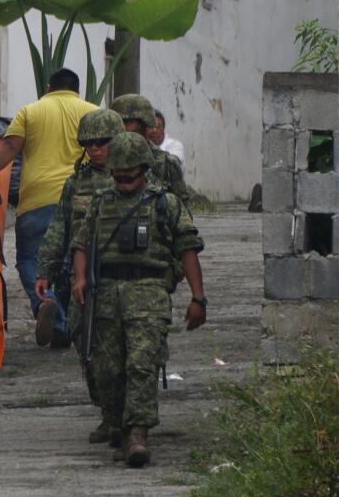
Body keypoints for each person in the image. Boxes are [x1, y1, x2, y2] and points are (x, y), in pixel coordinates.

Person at [70, 132, 207, 467]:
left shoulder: (165, 204)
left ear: (144, 170)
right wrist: (81, 279)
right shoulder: (102, 203)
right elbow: (82, 243)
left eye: (130, 176)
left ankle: (137, 435)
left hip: (148, 293)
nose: (123, 181)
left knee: (142, 365)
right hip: (107, 295)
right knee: (107, 370)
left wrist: (198, 298)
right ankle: (117, 422)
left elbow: (187, 248)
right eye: (118, 175)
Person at [0, 68, 97, 328]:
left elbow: (9, 147)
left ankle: (47, 303)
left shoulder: (31, 111)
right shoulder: (93, 113)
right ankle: (66, 327)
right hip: (83, 198)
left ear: (48, 89)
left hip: (39, 199)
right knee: (73, 261)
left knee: (30, 259)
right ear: (77, 91)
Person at [34, 108, 125, 349]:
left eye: (101, 142)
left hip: (127, 274)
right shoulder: (77, 182)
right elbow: (59, 228)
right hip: (85, 274)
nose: (94, 149)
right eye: (88, 143)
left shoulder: (136, 177)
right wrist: (45, 272)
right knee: (84, 338)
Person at [109, 94, 191, 204]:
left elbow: (182, 211)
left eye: (128, 122)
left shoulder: (166, 165)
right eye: (118, 122)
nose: (122, 127)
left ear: (145, 124)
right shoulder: (103, 161)